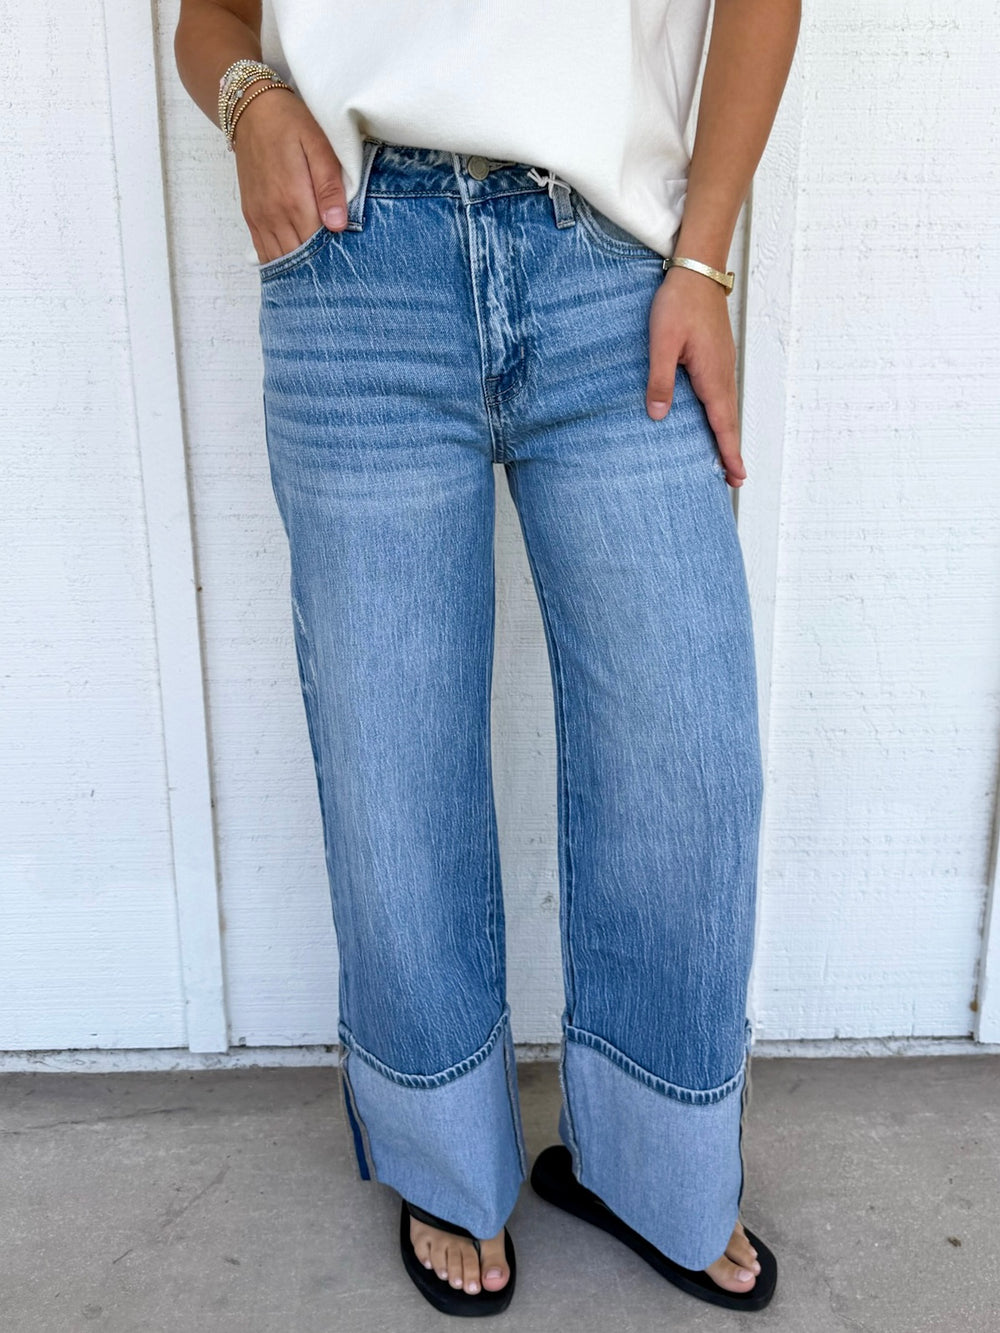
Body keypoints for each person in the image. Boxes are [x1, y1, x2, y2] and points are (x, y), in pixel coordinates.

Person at [175, 0, 800, 1316]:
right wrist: (250, 102)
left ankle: (657, 1160)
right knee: (391, 754)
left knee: (688, 753)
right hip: (357, 258)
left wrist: (706, 257)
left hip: (612, 265)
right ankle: (445, 1155)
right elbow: (207, 20)